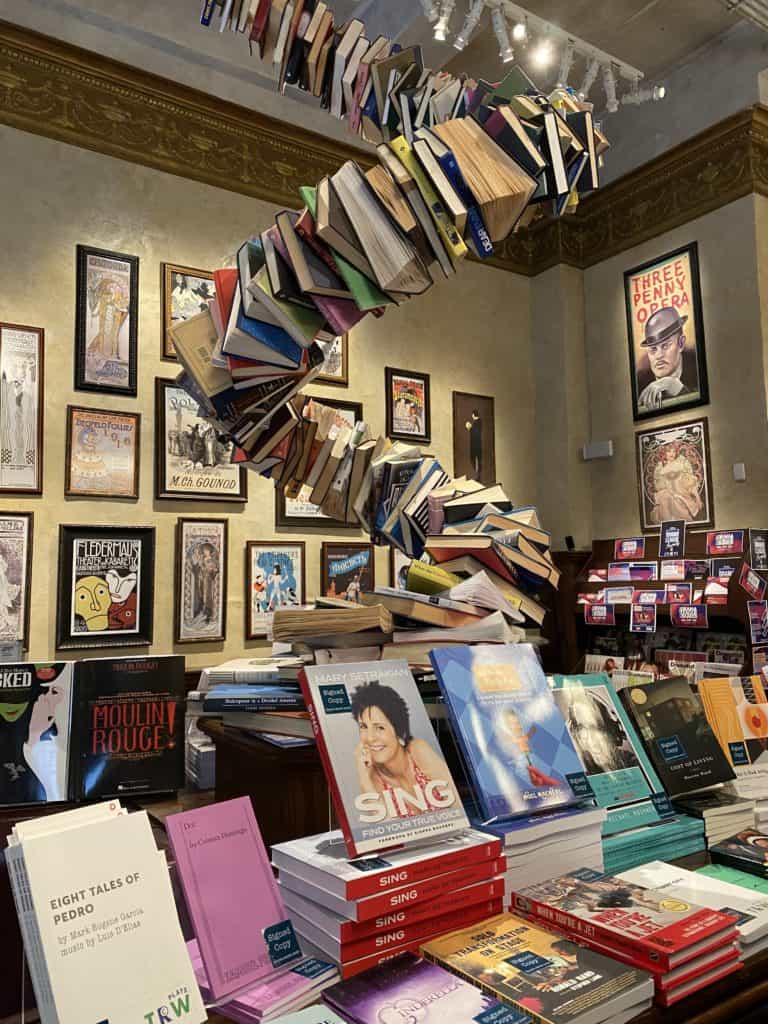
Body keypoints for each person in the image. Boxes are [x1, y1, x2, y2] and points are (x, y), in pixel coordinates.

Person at [350, 680, 460, 819]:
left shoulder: (417, 751)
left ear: (399, 731)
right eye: (364, 727)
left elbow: (458, 808)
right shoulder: (372, 778)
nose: (370, 738)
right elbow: (387, 832)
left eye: (380, 727)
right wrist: (364, 778)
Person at [636, 307, 698, 413]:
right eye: (653, 349)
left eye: (665, 346)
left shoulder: (696, 369)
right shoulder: (640, 381)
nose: (659, 355)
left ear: (681, 343)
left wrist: (677, 387)